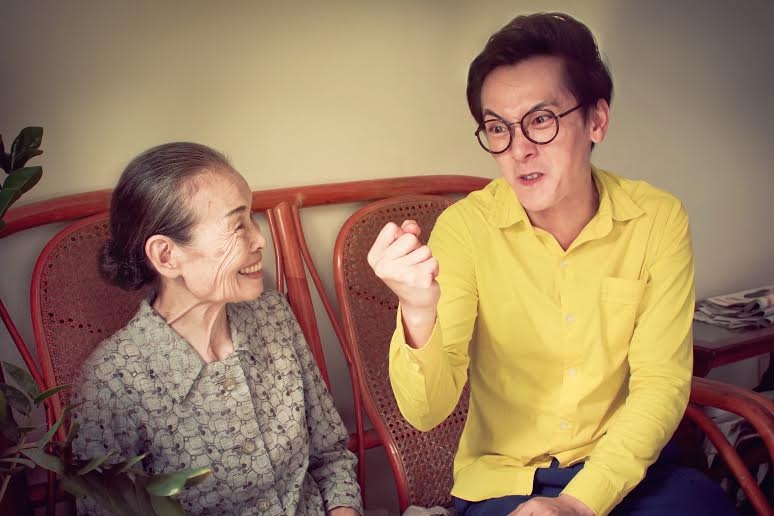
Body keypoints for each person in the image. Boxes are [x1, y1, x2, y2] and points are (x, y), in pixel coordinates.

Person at [368, 12, 737, 516]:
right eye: (497, 128)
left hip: (627, 469)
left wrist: (580, 503)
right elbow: (426, 413)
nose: (519, 150)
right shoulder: (465, 229)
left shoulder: (656, 219)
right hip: (505, 479)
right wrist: (417, 311)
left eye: (541, 120)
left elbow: (660, 385)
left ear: (596, 121)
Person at [72, 142, 361, 515]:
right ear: (166, 256)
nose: (260, 239)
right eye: (238, 225)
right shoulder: (111, 383)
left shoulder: (273, 316)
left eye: (252, 218)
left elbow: (331, 456)